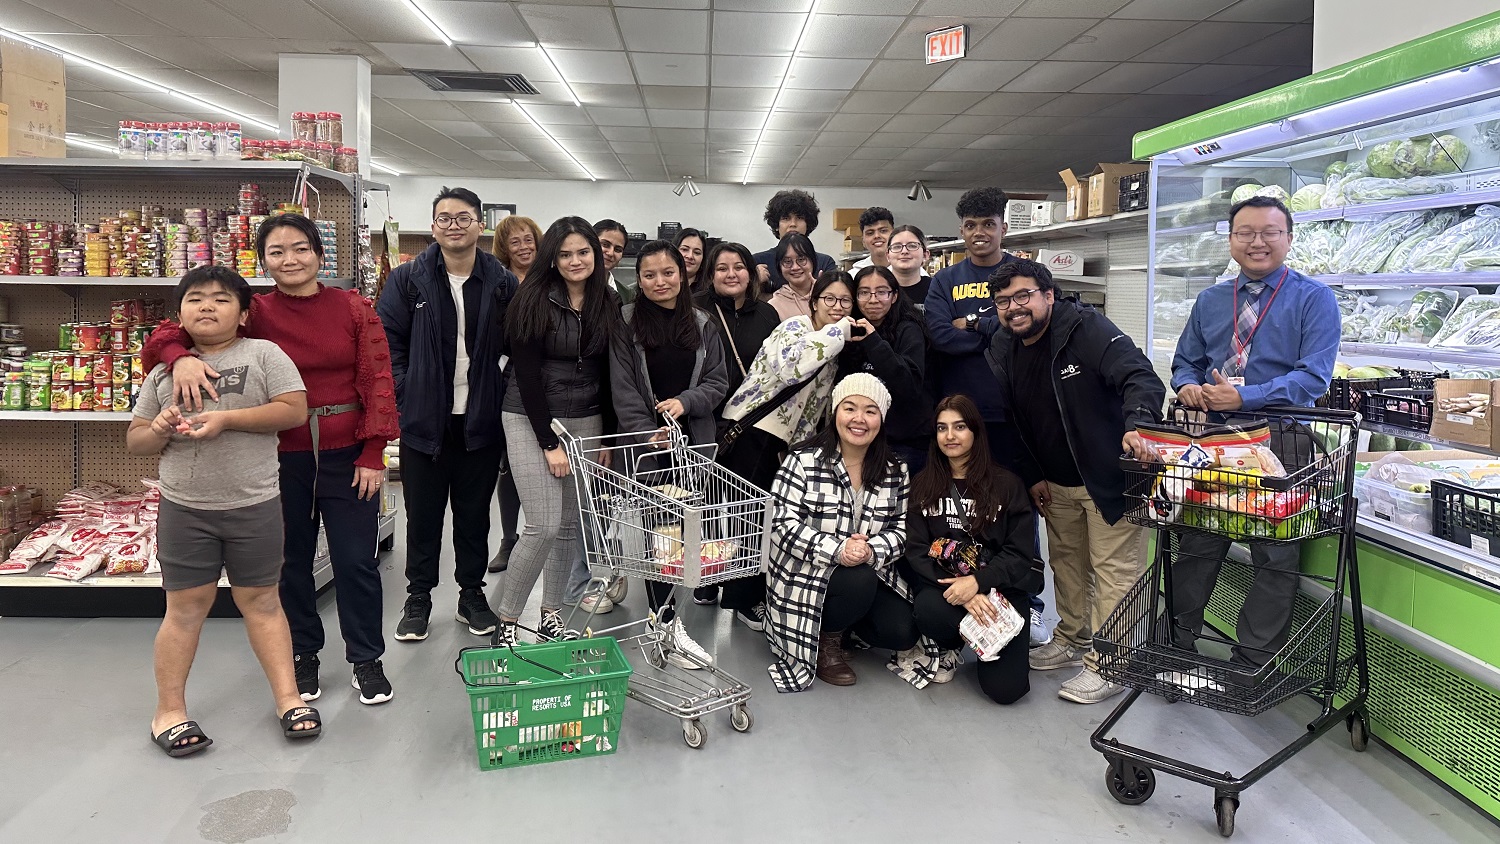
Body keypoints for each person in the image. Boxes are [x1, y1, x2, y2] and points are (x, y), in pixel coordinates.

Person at [143, 214, 399, 707]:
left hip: (348, 455)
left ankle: (366, 659)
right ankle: (303, 654)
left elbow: (378, 381)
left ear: (319, 254)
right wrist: (181, 356)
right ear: (263, 261)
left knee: (355, 561)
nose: (290, 260)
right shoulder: (252, 311)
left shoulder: (353, 308)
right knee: (290, 564)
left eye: (300, 248)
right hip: (276, 456)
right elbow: (160, 338)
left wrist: (374, 451)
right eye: (277, 252)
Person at [131, 267, 317, 756]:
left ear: (245, 312)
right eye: (195, 299)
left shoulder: (263, 354)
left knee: (262, 603)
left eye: (221, 299)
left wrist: (226, 421)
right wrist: (162, 428)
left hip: (254, 504)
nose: (208, 307)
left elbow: (294, 410)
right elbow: (135, 439)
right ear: (178, 314)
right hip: (184, 509)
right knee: (185, 610)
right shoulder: (162, 372)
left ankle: (289, 698)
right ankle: (168, 711)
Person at [1169, 195, 1340, 667]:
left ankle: (1251, 664)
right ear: (1231, 240)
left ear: (1288, 238)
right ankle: (1177, 645)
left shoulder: (1314, 299)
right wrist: (1188, 387)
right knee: (1197, 545)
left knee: (1275, 557)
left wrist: (1246, 396)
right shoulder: (1209, 300)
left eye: (1270, 232)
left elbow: (1313, 378)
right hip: (1213, 441)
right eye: (1245, 233)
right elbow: (1185, 362)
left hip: (1282, 440)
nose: (1257, 242)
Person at [985, 259, 1166, 704]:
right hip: (1055, 482)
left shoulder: (1086, 329)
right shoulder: (1004, 345)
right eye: (1004, 301)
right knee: (1066, 563)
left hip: (1108, 477)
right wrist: (1032, 474)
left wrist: (1139, 423)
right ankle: (1073, 638)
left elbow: (1141, 376)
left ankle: (1111, 662)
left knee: (1113, 572)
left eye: (1024, 296)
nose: (1014, 308)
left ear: (1048, 295)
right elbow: (1015, 420)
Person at [378, 186, 518, 642]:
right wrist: (405, 388)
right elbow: (387, 344)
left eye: (463, 217)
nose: (453, 225)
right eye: (444, 218)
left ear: (481, 224)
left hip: (480, 420)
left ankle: (471, 595)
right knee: (423, 516)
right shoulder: (408, 279)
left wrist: (498, 386)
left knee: (474, 515)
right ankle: (418, 598)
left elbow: (517, 347)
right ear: (434, 225)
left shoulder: (501, 282)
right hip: (424, 420)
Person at [923, 186, 1051, 647]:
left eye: (988, 224)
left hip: (1012, 411)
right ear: (962, 230)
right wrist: (995, 329)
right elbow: (938, 334)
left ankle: (1028, 605)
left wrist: (973, 325)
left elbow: (1029, 324)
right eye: (972, 225)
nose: (980, 233)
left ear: (1003, 227)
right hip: (959, 413)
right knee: (958, 511)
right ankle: (961, 594)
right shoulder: (944, 279)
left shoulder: (1020, 273)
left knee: (1019, 511)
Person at [495, 216, 621, 647]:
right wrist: (548, 442)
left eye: (583, 252)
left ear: (595, 255)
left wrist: (603, 432)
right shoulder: (531, 299)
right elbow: (526, 377)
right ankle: (507, 620)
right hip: (531, 416)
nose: (574, 260)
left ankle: (550, 614)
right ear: (553, 257)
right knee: (543, 526)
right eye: (565, 253)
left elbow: (609, 374)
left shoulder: (607, 300)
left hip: (586, 419)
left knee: (570, 523)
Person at [610, 240, 729, 667]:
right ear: (637, 280)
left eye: (668, 273)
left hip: (693, 446)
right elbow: (622, 388)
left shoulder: (701, 323)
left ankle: (665, 622)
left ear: (683, 274)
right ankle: (662, 623)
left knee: (685, 536)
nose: (660, 282)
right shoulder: (625, 322)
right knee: (659, 534)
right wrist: (647, 434)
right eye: (649, 275)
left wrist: (686, 401)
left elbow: (718, 381)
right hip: (648, 452)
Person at [716, 272, 854, 630]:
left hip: (781, 441)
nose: (837, 308)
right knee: (751, 520)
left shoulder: (834, 347)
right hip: (754, 430)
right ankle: (742, 600)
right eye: (830, 299)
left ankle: (723, 588)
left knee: (752, 517)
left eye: (845, 301)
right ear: (815, 301)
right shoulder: (795, 328)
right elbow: (792, 368)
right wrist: (838, 332)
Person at [765, 374, 921, 690]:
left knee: (902, 631)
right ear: (836, 412)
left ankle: (843, 624)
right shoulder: (802, 460)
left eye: (870, 410)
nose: (859, 419)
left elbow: (903, 529)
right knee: (859, 577)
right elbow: (781, 525)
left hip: (865, 567)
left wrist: (871, 550)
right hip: (805, 572)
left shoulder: (895, 470)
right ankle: (826, 641)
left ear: (882, 418)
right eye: (850, 408)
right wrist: (838, 550)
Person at [903, 395, 1045, 705]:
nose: (950, 436)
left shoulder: (1007, 485)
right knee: (927, 609)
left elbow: (1020, 554)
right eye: (942, 428)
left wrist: (979, 583)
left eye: (959, 427)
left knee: (1005, 691)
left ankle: (985, 646)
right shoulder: (923, 485)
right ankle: (951, 643)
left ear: (976, 432)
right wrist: (964, 591)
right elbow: (916, 550)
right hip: (948, 591)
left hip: (1002, 591)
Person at [690, 241, 781, 606]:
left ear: (751, 272)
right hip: (706, 422)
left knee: (749, 508)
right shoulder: (696, 310)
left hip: (754, 425)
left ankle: (742, 591)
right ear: (711, 274)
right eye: (722, 267)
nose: (731, 274)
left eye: (739, 266)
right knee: (708, 503)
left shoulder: (767, 315)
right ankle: (708, 576)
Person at [488, 215, 545, 574]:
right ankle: (510, 538)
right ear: (504, 250)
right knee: (508, 465)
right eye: (515, 243)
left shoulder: (550, 280)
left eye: (529, 240)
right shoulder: (499, 285)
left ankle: (542, 536)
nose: (524, 248)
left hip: (549, 381)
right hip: (506, 380)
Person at [841, 266, 930, 473]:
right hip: (860, 438)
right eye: (864, 292)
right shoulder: (849, 330)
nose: (873, 299)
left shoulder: (909, 329)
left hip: (905, 442)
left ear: (894, 295)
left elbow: (908, 385)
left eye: (881, 292)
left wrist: (873, 340)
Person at [751, 189, 837, 292]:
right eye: (786, 218)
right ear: (777, 225)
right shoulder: (758, 261)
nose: (793, 224)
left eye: (799, 218)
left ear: (807, 224)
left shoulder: (824, 263)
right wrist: (755, 283)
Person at [767, 233, 822, 323]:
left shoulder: (827, 296)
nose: (795, 267)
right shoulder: (774, 306)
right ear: (779, 266)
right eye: (787, 261)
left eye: (801, 259)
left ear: (812, 260)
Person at [886, 224, 933, 311]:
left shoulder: (937, 289)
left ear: (925, 254)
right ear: (888, 256)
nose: (904, 251)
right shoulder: (879, 290)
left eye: (912, 246)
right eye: (897, 246)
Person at [595, 218, 635, 304]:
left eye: (618, 249)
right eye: (605, 245)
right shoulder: (573, 286)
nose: (610, 253)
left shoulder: (627, 295)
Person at [492, 215, 541, 279]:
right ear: (503, 248)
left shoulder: (551, 279)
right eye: (515, 242)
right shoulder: (497, 282)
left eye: (528, 240)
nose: (523, 246)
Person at [850, 207, 894, 271]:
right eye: (870, 233)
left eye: (883, 231)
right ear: (863, 241)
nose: (877, 236)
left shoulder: (908, 270)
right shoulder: (853, 276)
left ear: (894, 234)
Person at [675, 227, 707, 292]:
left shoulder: (709, 292)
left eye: (697, 252)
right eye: (684, 249)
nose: (690, 256)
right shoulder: (661, 285)